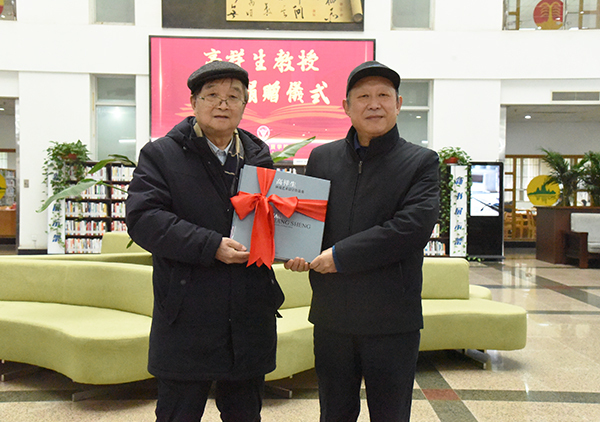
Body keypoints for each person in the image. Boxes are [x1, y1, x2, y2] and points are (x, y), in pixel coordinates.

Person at [126, 61, 284, 422]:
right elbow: (144, 219)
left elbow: (269, 220)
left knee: (245, 414)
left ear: (245, 105)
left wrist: (292, 246)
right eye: (212, 95)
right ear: (193, 103)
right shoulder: (161, 155)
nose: (223, 104)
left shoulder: (259, 157)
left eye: (233, 97)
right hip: (187, 314)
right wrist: (210, 245)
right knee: (178, 414)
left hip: (248, 316)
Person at [285, 61, 440, 421]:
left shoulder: (420, 161)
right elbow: (308, 220)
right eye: (363, 96)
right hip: (332, 316)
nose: (374, 104)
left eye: (383, 95)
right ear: (346, 106)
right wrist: (295, 250)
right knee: (334, 412)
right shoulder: (322, 157)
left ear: (398, 104)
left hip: (392, 319)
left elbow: (411, 227)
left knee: (390, 414)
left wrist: (340, 256)